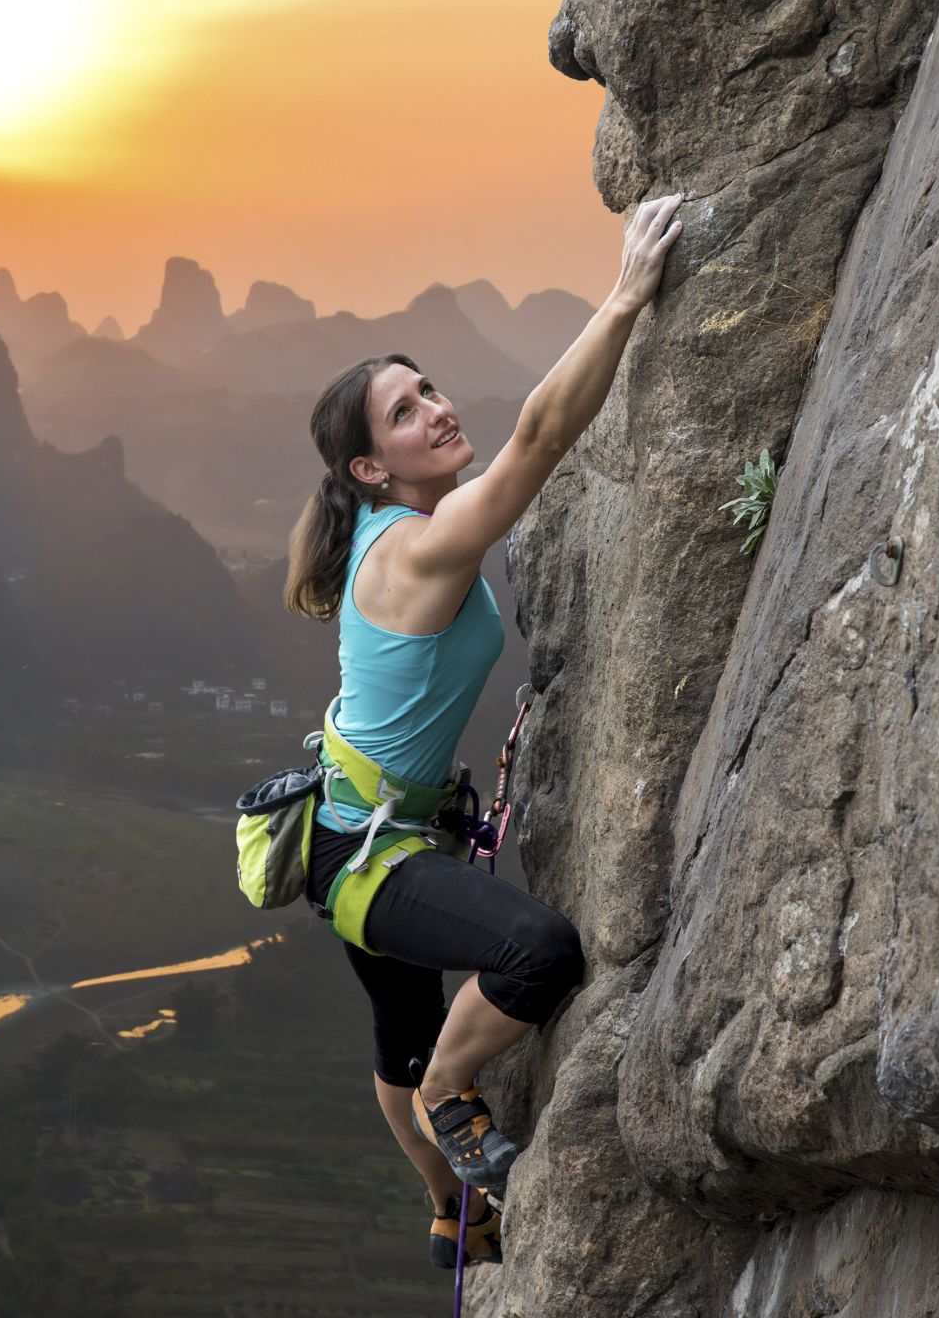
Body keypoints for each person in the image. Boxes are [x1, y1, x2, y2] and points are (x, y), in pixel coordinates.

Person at [281, 192, 685, 1268]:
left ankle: (448, 1207)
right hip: (368, 857)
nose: (437, 412)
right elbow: (542, 439)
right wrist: (628, 295)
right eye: (406, 415)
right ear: (372, 469)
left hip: (351, 827)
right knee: (535, 954)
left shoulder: (386, 526)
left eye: (428, 390)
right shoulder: (416, 545)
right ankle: (453, 1103)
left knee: (396, 1035)